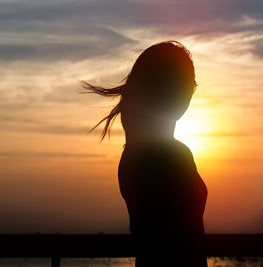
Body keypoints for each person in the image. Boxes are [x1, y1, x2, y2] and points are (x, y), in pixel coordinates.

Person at [82, 40, 208, 267]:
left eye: (192, 85)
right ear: (161, 85)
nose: (189, 94)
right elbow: (176, 240)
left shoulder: (134, 152)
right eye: (184, 83)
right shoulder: (169, 155)